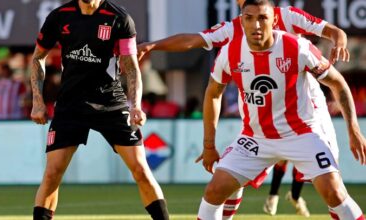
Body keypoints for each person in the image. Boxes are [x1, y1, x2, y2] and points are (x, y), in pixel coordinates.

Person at [137, 0, 349, 218]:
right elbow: (193, 40)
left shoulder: (288, 17)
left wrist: (339, 41)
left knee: (332, 188)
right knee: (229, 177)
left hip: (308, 114)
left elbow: (334, 32)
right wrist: (154, 45)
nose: (255, 23)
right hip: (260, 121)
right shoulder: (233, 28)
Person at [195, 0, 366, 219]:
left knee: (334, 192)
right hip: (255, 137)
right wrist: (209, 145)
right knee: (214, 190)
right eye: (249, 18)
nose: (256, 25)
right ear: (241, 21)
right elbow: (213, 93)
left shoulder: (297, 47)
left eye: (262, 18)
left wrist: (353, 130)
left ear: (274, 20)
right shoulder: (230, 52)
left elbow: (338, 83)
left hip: (302, 134)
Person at [29, 0, 169, 219]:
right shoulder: (59, 16)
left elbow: (131, 66)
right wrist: (37, 101)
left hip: (110, 103)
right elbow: (38, 57)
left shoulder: (119, 18)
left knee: (141, 169)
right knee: (52, 173)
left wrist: (136, 105)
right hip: (70, 105)